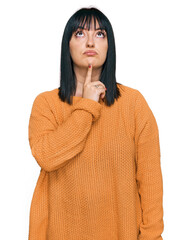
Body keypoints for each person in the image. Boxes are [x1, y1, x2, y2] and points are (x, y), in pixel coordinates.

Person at [28, 7, 164, 240]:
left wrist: (152, 237)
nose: (90, 42)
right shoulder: (46, 104)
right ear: (67, 45)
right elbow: (47, 157)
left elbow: (150, 181)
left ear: (109, 45)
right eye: (80, 33)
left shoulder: (133, 104)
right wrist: (87, 107)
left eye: (100, 34)